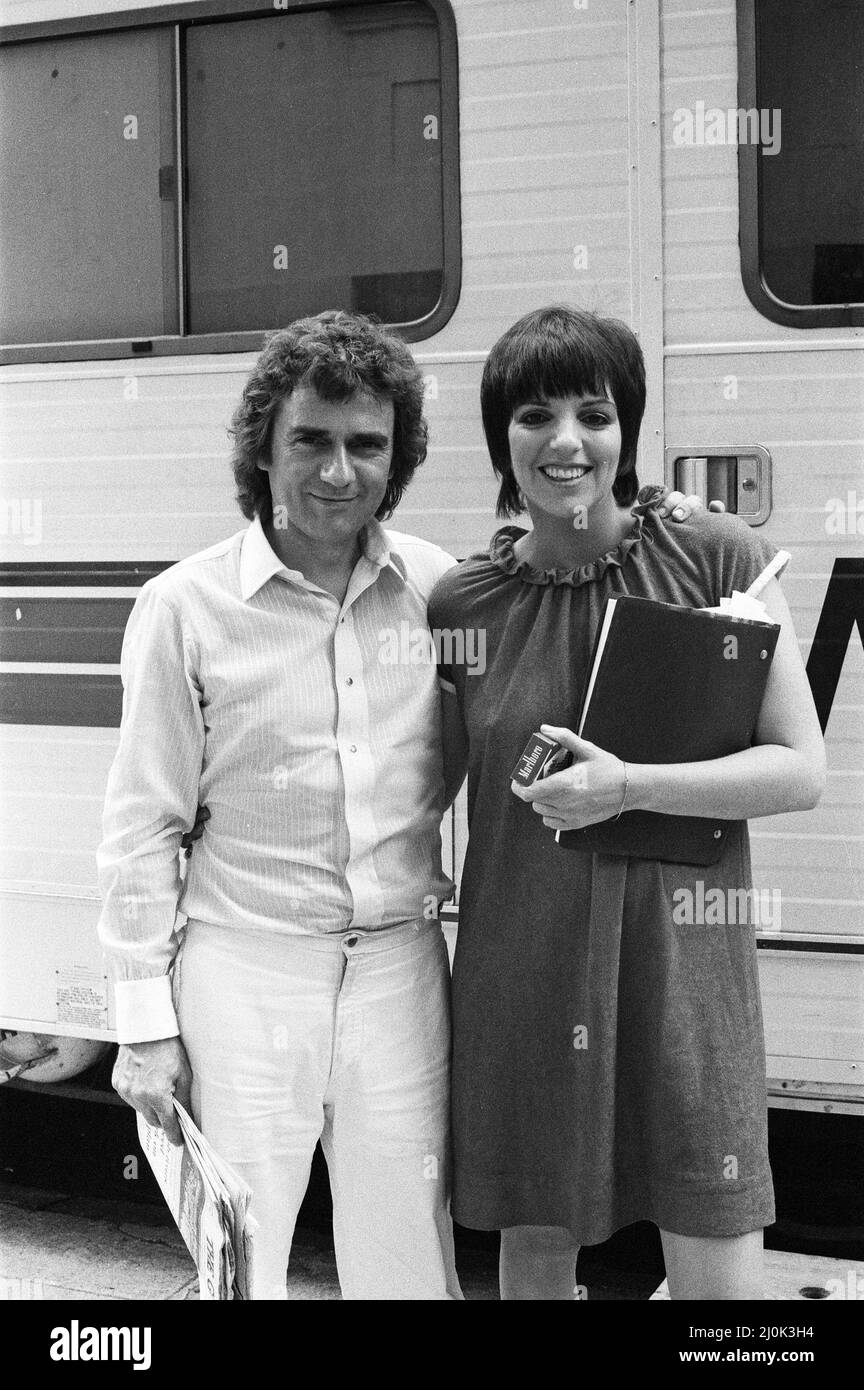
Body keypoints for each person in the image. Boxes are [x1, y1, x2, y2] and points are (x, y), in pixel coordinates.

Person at [97, 308, 708, 1301]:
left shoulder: (441, 590)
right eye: (312, 440)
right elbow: (140, 829)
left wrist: (649, 527)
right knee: (236, 1265)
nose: (340, 471)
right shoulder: (184, 608)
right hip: (244, 972)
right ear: (265, 445)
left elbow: (567, 584)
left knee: (409, 1268)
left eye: (367, 445)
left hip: (398, 976)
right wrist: (143, 1026)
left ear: (398, 456)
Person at [427, 306, 826, 1301]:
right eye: (533, 415)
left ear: (627, 429)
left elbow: (798, 767)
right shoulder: (465, 606)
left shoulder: (716, 557)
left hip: (683, 971)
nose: (566, 442)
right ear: (500, 439)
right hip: (525, 973)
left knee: (722, 1294)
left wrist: (630, 786)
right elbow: (421, 786)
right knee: (534, 1270)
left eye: (593, 413)